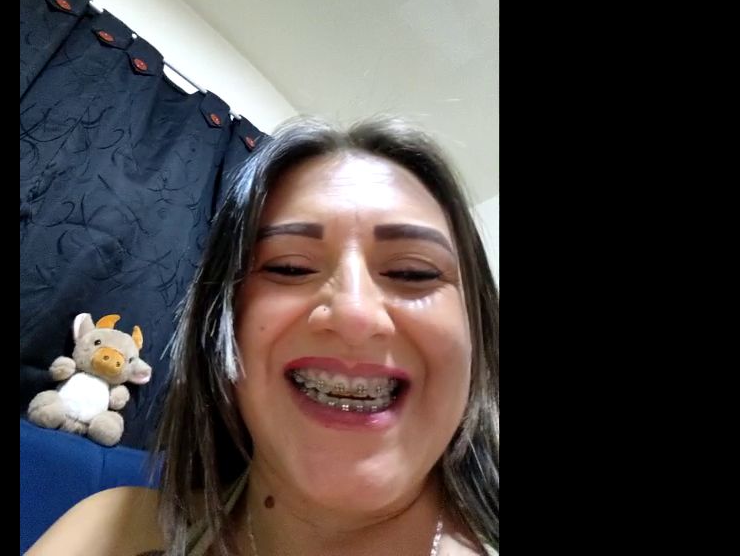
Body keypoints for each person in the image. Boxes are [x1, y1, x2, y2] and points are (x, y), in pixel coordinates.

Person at [27, 116, 499, 555]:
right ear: (220, 326)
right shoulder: (110, 531)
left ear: (479, 337)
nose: (354, 313)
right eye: (289, 267)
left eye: (413, 272)